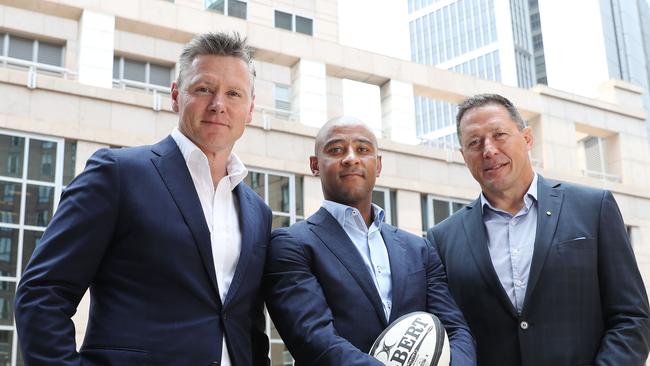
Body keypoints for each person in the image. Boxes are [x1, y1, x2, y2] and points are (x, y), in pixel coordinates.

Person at [15, 32, 272, 365]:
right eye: (203, 89)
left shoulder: (258, 212)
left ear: (250, 109)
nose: (218, 104)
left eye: (233, 93)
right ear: (176, 96)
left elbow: (248, 327)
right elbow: (42, 295)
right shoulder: (117, 174)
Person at [427, 93, 650, 365]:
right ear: (464, 155)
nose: (488, 150)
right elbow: (450, 334)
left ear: (527, 138)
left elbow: (632, 317)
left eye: (499, 134)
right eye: (475, 142)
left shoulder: (593, 208)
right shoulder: (442, 239)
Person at [264, 116, 476, 366]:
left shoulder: (419, 248)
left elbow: (455, 329)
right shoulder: (291, 244)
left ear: (378, 164)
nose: (351, 158)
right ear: (315, 165)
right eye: (336, 150)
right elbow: (313, 339)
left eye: (363, 149)